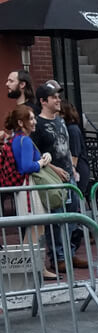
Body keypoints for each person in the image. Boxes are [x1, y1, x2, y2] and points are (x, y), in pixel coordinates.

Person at [33, 81, 85, 273]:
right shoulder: (37, 124)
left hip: (69, 176)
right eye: (54, 97)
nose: (58, 100)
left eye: (58, 96)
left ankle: (69, 253)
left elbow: (66, 147)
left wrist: (72, 167)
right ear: (43, 101)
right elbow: (36, 154)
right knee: (56, 220)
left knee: (71, 218)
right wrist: (55, 169)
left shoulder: (61, 121)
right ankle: (58, 257)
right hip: (53, 179)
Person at [3, 104, 52, 261]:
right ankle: (31, 265)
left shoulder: (17, 140)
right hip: (29, 188)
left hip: (25, 188)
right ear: (20, 122)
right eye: (30, 118)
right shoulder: (25, 140)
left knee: (36, 228)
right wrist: (42, 163)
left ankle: (34, 265)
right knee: (36, 228)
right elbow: (26, 167)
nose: (34, 121)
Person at [61, 100, 92, 200]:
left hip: (78, 168)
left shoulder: (72, 129)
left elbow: (75, 153)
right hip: (78, 168)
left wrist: (73, 169)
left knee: (76, 198)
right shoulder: (70, 128)